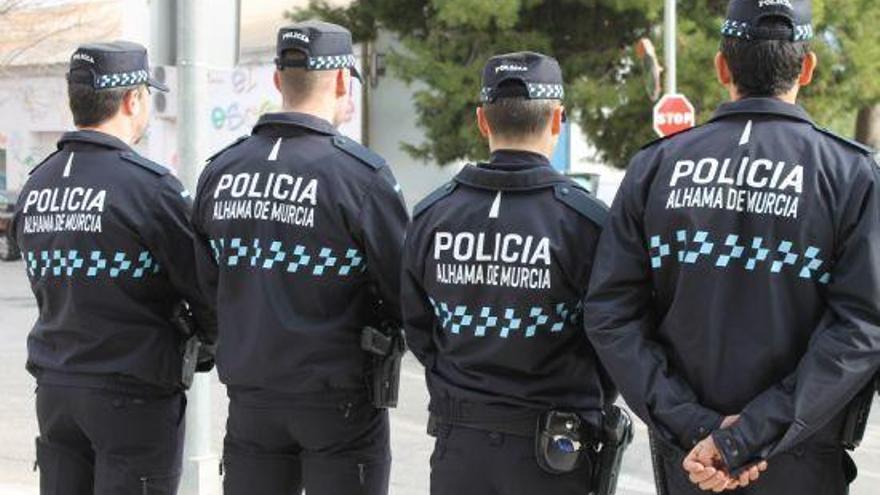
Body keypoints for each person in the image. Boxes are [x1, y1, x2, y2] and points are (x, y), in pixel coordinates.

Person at [584, 0, 880, 493]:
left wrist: (699, 430)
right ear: (807, 68)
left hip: (691, 461)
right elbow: (862, 325)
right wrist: (745, 437)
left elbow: (610, 312)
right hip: (798, 460)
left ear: (722, 66)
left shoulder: (655, 168)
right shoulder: (852, 175)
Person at [191, 21, 408, 495]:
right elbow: (401, 289)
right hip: (340, 403)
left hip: (251, 399)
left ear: (277, 81)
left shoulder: (220, 171)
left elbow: (207, 285)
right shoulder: (361, 176)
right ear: (337, 81)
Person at [402, 51, 625, 495]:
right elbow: (612, 335)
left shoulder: (432, 216)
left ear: (482, 121)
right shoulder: (588, 223)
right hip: (554, 455)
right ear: (558, 119)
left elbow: (420, 331)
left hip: (458, 449)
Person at [11, 41, 217, 495]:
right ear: (133, 99)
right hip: (132, 394)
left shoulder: (37, 185)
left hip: (57, 389)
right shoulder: (150, 188)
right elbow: (205, 289)